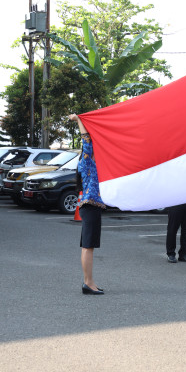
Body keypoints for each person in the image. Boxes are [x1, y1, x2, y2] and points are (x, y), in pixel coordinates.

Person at [69, 114, 106, 295]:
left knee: (89, 244)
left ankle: (90, 282)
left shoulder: (90, 163)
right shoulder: (86, 161)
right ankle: (88, 283)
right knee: (88, 245)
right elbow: (86, 141)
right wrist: (79, 120)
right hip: (90, 206)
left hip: (93, 206)